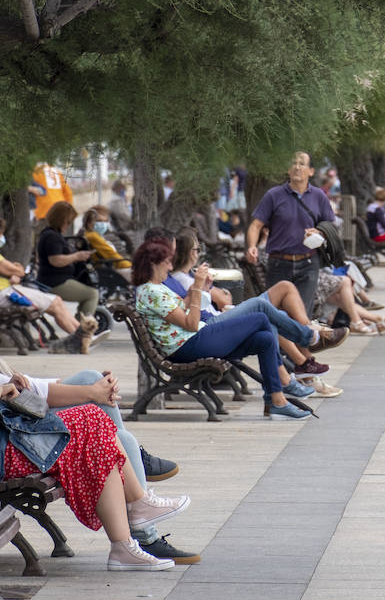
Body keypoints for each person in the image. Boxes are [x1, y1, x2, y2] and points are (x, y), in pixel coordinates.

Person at [0, 273, 191, 571]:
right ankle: (134, 518)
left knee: (96, 432)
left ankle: (126, 540)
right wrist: (3, 388)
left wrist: (9, 382)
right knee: (92, 419)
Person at [132, 240, 314, 419]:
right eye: (167, 262)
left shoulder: (155, 289)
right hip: (188, 345)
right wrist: (196, 288)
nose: (170, 266)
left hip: (194, 340)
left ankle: (274, 400)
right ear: (153, 263)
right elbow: (191, 324)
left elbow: (183, 309)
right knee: (260, 316)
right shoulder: (151, 292)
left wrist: (199, 287)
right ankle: (305, 341)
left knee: (265, 339)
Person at [167, 227, 338, 378]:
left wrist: (206, 288)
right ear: (190, 252)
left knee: (277, 310)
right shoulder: (185, 280)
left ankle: (301, 362)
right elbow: (218, 301)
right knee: (264, 306)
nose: (199, 253)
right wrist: (204, 289)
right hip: (211, 326)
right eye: (198, 249)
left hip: (217, 319)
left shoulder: (192, 276)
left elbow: (219, 300)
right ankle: (309, 339)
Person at [0, 217, 100, 353]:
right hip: (5, 294)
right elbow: (19, 270)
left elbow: (12, 272)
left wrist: (14, 273)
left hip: (5, 292)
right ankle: (82, 337)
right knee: (55, 303)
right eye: (1, 234)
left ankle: (84, 334)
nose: (2, 237)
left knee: (57, 302)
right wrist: (16, 271)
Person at [245, 151, 335, 311]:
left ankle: (301, 334)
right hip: (279, 263)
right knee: (276, 313)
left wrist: (318, 233)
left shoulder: (319, 196)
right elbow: (255, 225)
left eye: (302, 164)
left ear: (311, 171)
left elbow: (329, 225)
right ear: (288, 169)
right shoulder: (273, 195)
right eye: (294, 163)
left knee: (302, 313)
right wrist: (252, 246)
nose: (297, 167)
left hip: (308, 263)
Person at [36, 201, 102, 326]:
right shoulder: (52, 237)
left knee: (88, 292)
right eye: (68, 222)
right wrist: (76, 256)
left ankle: (79, 325)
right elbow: (56, 260)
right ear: (61, 220)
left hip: (55, 279)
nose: (68, 225)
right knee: (92, 294)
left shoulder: (49, 234)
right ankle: (83, 328)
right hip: (55, 282)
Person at [80, 206, 131, 281]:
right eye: (99, 221)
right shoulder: (93, 236)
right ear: (88, 222)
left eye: (105, 221)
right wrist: (130, 265)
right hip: (104, 271)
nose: (102, 224)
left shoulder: (90, 235)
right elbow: (112, 255)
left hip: (104, 269)